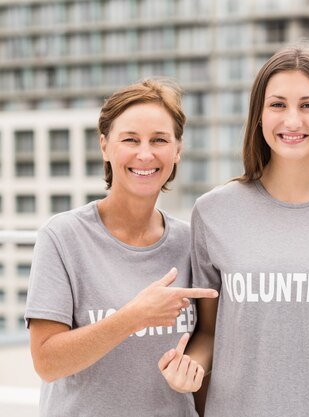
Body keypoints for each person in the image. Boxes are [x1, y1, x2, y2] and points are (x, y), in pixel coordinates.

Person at [158, 42, 309, 417]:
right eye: (277, 105)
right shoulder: (213, 212)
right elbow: (209, 332)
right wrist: (186, 369)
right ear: (258, 115)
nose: (292, 121)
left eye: (308, 105)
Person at [25, 79, 218, 417]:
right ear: (104, 147)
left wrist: (192, 367)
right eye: (130, 139)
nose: (145, 154)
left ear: (177, 150)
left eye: (159, 140)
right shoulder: (62, 237)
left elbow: (208, 334)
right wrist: (134, 316)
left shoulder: (192, 242)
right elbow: (47, 362)